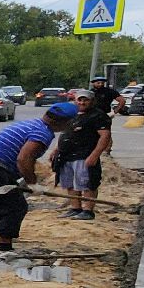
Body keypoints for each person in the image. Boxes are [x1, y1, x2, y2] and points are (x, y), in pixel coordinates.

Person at [0, 102, 79, 253]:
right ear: (64, 122)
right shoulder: (42, 132)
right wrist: (32, 183)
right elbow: (24, 159)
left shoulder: (32, 124)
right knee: (14, 207)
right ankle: (4, 249)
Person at [53, 88, 112, 220]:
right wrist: (56, 150)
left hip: (85, 155)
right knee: (69, 183)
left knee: (87, 183)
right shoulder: (72, 114)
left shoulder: (98, 116)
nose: (82, 102)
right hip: (67, 156)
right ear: (75, 101)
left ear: (92, 101)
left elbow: (105, 136)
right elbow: (65, 133)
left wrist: (94, 155)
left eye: (86, 100)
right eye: (80, 100)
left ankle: (88, 211)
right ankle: (75, 208)